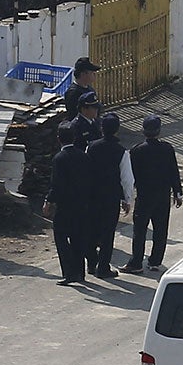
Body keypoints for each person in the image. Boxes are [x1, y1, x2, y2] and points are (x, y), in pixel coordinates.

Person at [126, 115, 183, 274]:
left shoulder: (137, 150)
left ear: (143, 131)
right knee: (160, 229)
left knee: (140, 231)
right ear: (159, 131)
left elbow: (131, 176)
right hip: (163, 196)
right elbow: (174, 171)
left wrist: (127, 196)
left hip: (144, 196)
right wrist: (178, 193)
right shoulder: (167, 148)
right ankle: (155, 261)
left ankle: (136, 262)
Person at [86, 111, 133, 279]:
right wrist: (127, 199)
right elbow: (127, 179)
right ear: (117, 130)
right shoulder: (121, 151)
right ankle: (103, 267)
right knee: (107, 233)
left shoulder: (91, 146)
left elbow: (86, 170)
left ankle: (91, 263)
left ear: (101, 128)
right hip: (111, 197)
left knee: (91, 230)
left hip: (92, 196)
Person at [50, 126, 89, 286]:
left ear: (59, 139)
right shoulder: (84, 156)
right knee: (78, 238)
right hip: (82, 204)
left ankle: (69, 272)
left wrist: (49, 201)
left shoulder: (59, 158)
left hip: (65, 205)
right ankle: (80, 271)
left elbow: (57, 184)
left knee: (61, 237)